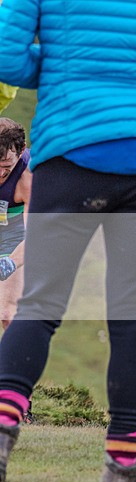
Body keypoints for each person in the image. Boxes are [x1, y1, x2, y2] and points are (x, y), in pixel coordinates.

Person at [0, 0, 136, 482]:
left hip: (70, 152)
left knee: (39, 306)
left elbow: (7, 59)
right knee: (131, 315)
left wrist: (59, 74)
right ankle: (120, 481)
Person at [0, 118, 30, 328]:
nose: (0, 173)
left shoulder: (29, 177)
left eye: (6, 166)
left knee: (7, 313)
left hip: (15, 235)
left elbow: (36, 234)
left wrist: (10, 263)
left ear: (20, 153)